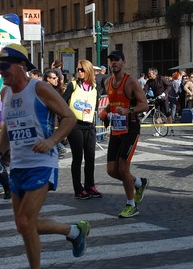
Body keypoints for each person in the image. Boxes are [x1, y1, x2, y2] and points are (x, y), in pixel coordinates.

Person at [0, 44, 89, 269]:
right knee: (23, 225)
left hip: (42, 163)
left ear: (20, 65)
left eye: (4, 67)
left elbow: (68, 117)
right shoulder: (7, 92)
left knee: (26, 219)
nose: (0, 72)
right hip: (17, 165)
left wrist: (52, 140)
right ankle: (74, 231)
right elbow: (8, 125)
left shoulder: (39, 88)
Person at [100, 50, 149, 218]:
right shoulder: (107, 82)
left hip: (131, 128)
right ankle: (138, 182)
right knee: (112, 170)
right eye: (111, 60)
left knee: (123, 167)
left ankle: (131, 205)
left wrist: (128, 110)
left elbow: (145, 105)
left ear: (123, 62)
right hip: (116, 128)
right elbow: (112, 104)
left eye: (117, 60)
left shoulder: (131, 82)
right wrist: (105, 112)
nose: (113, 63)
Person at [63, 59, 102, 199]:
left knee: (90, 158)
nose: (79, 72)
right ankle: (78, 189)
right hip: (75, 126)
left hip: (90, 126)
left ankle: (90, 186)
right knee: (78, 158)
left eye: (82, 70)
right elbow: (62, 103)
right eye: (78, 69)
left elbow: (96, 106)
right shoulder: (72, 85)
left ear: (88, 71)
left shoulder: (95, 87)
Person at [144, 67, 173, 135]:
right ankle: (159, 130)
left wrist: (164, 93)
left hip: (164, 98)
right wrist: (142, 96)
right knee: (157, 114)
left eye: (150, 73)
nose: (148, 75)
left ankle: (171, 128)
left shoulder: (161, 78)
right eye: (148, 73)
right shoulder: (149, 81)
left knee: (167, 113)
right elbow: (145, 89)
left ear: (154, 74)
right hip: (156, 99)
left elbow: (169, 86)